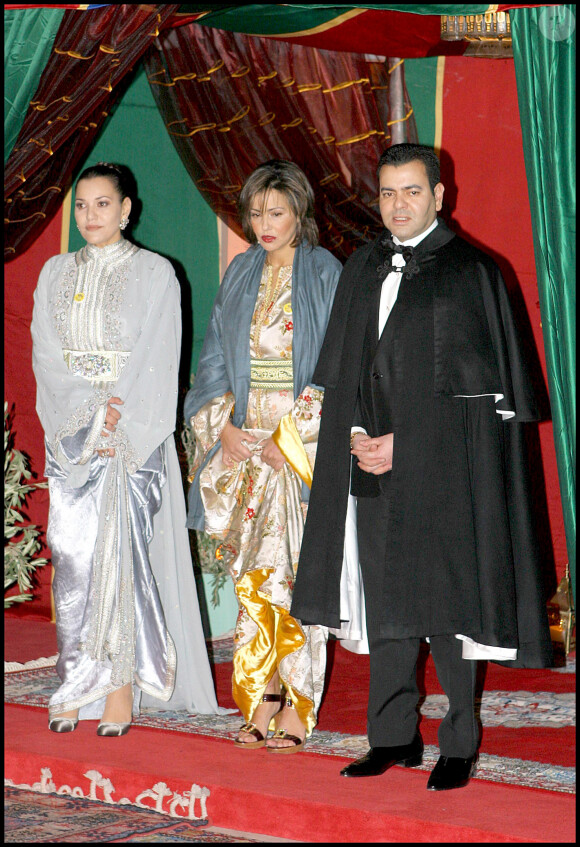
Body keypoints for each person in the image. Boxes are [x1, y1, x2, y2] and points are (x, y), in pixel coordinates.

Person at [291, 143, 553, 789]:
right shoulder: (360, 268)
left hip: (442, 475)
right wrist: (358, 433)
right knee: (386, 610)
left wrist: (403, 445)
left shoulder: (473, 273)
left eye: (412, 191)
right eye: (387, 193)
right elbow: (344, 372)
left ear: (439, 196)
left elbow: (483, 405)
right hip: (369, 468)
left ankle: (459, 741)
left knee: (447, 609)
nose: (398, 205)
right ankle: (392, 737)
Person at [31, 161, 223, 736]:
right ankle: (76, 679)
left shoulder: (156, 273)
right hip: (74, 437)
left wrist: (118, 417)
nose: (91, 216)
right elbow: (46, 354)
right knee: (73, 558)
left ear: (126, 209)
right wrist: (86, 417)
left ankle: (121, 687)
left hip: (129, 438)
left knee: (123, 559)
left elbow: (160, 354)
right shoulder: (53, 273)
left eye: (103, 204)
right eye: (83, 206)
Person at [185, 160, 342, 753]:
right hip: (246, 445)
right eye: (255, 212)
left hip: (298, 453)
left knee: (298, 579)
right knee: (254, 580)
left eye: (276, 212)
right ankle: (260, 696)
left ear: (300, 212)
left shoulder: (326, 272)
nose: (263, 224)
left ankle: (300, 703)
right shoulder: (241, 269)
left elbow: (337, 363)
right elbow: (215, 358)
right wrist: (221, 425)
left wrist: (294, 436)